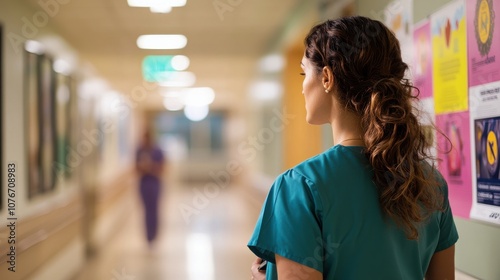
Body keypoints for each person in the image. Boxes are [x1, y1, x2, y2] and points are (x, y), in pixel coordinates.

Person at [247, 16, 458, 280]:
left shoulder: (299, 187)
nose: (301, 88)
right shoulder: (429, 183)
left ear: (326, 77)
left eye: (304, 73)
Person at [136, 128, 165, 246]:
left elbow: (162, 168)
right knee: (146, 210)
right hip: (144, 183)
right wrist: (144, 168)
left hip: (154, 183)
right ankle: (148, 236)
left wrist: (150, 167)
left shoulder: (157, 151)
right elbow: (136, 168)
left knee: (154, 209)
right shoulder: (139, 150)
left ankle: (154, 234)